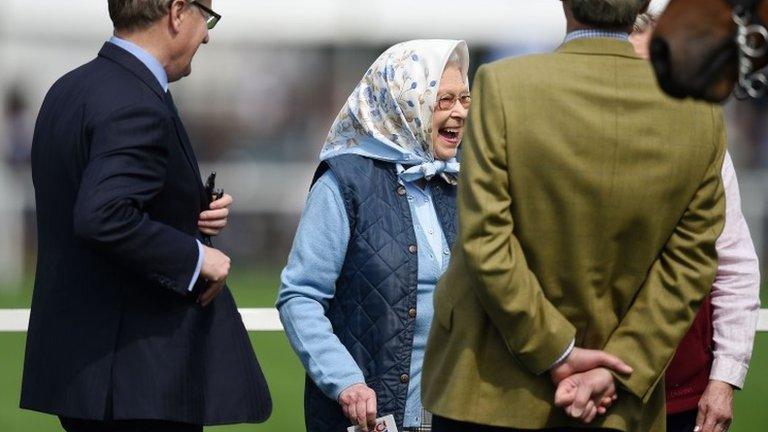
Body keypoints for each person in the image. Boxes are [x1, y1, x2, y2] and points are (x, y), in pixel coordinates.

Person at [422, 0, 728, 430]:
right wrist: (618, 367)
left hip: (490, 390)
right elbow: (691, 263)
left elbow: (485, 239)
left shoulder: (505, 85)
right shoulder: (699, 114)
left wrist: (557, 350)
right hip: (616, 404)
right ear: (642, 5)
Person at [20, 1, 272, 431]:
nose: (207, 34)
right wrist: (196, 258)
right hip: (139, 380)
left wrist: (188, 212)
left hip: (86, 373)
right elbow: (102, 215)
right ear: (177, 12)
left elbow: (96, 197)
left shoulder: (71, 87)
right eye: (205, 18)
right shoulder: (135, 101)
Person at [276, 39, 470, 432]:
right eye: (444, 99)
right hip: (370, 421)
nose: (461, 112)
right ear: (405, 102)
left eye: (465, 98)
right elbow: (300, 296)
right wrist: (345, 382)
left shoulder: (463, 184)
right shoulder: (345, 183)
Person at [631, 13, 761, 432]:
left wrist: (724, 378)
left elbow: (735, 264)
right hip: (592, 394)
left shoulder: (702, 142)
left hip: (684, 394)